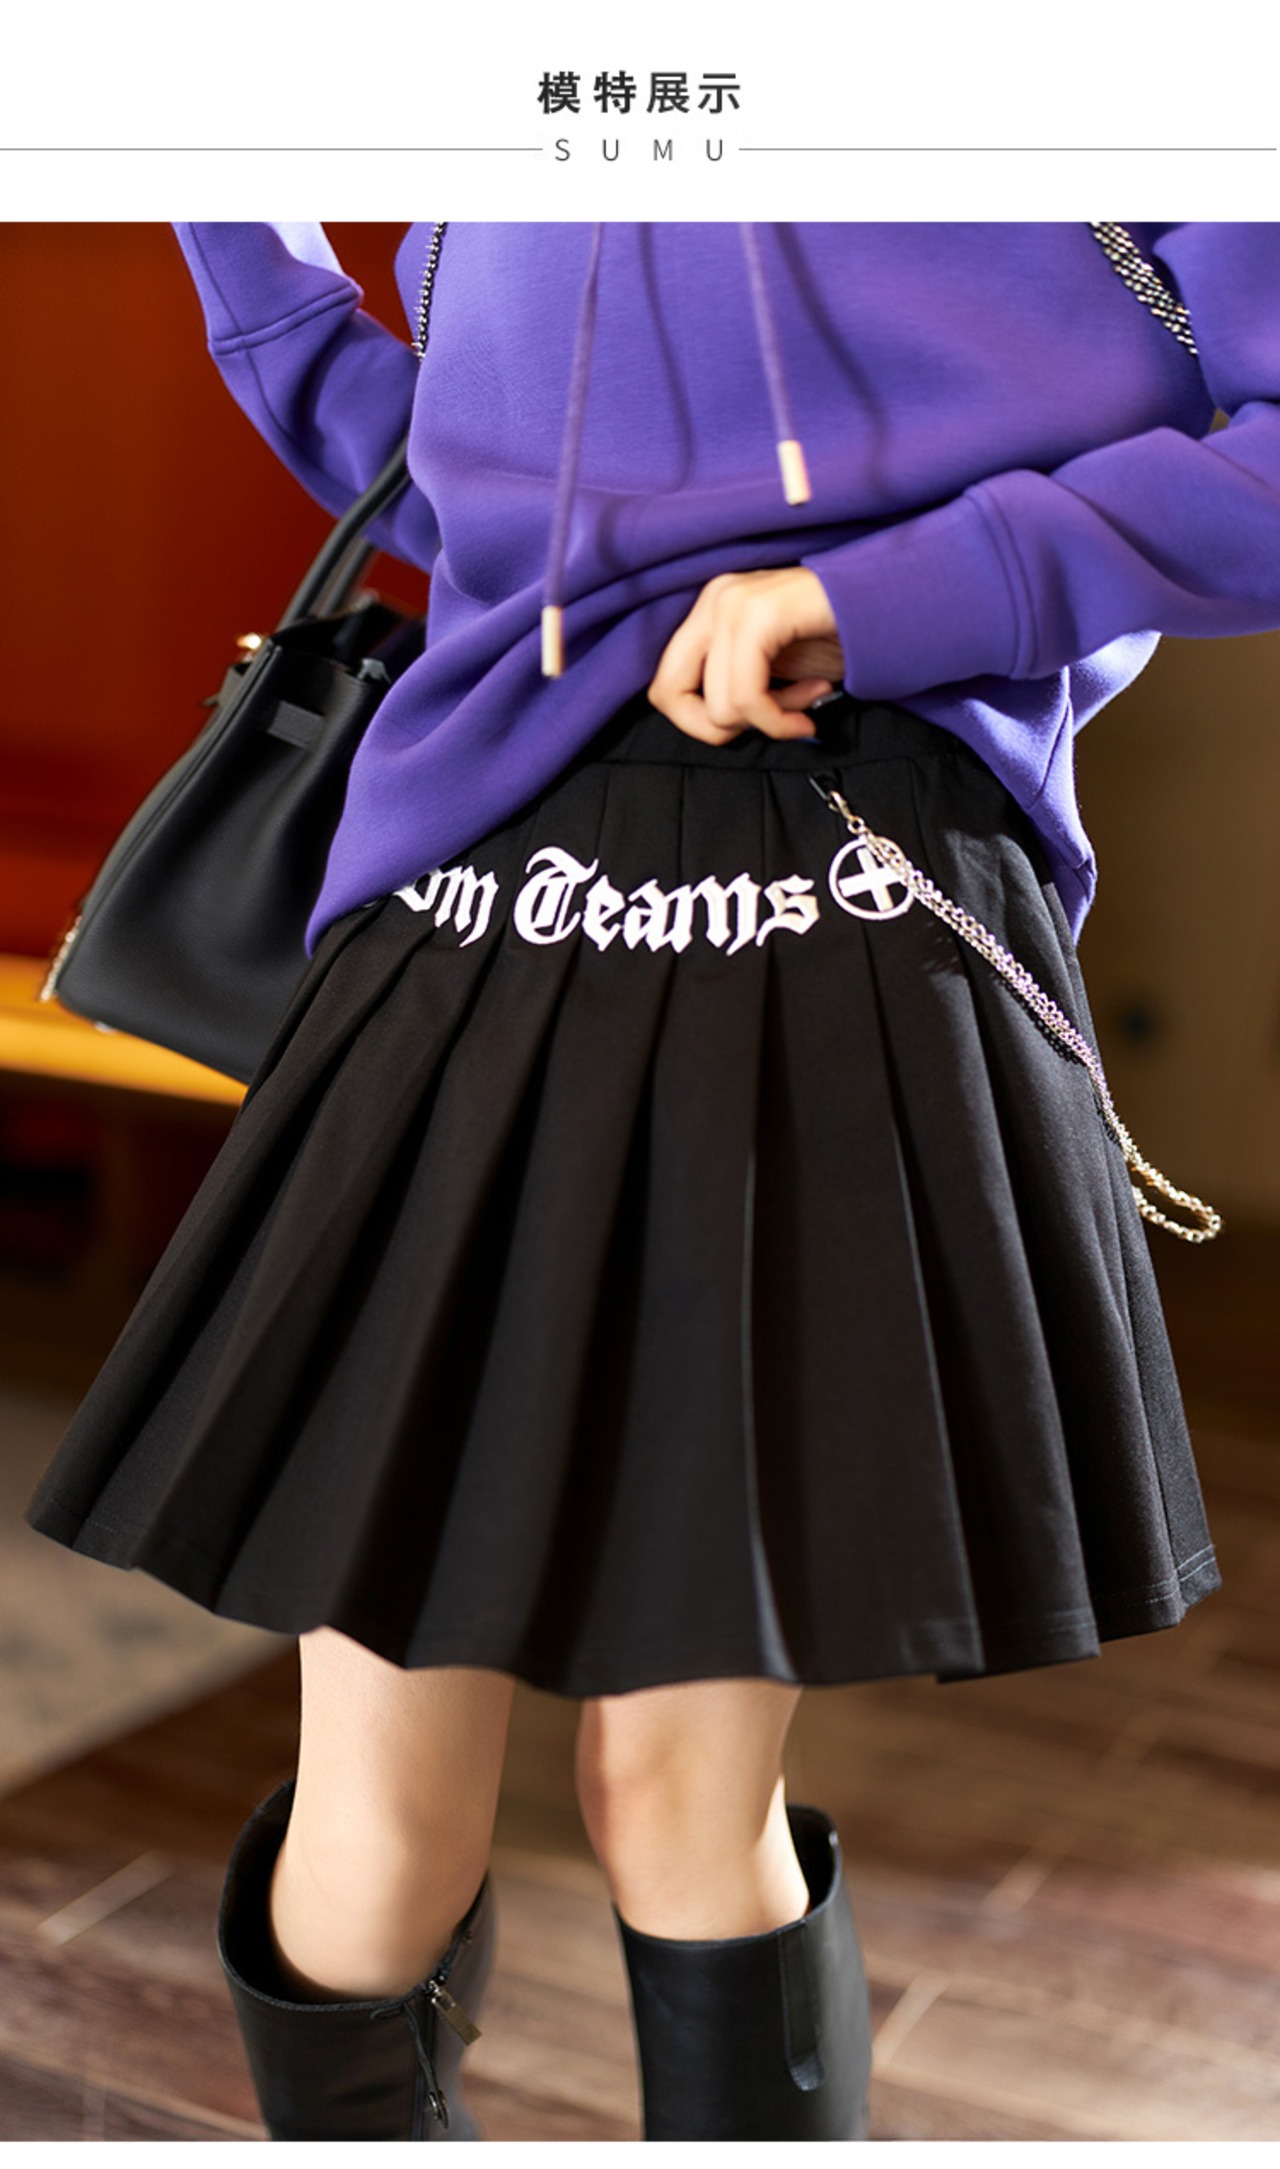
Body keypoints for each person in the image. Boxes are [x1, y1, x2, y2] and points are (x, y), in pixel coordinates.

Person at [25, 221, 1280, 2142]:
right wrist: (231, 221)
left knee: (615, 1806)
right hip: (515, 890)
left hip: (796, 897)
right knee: (426, 1820)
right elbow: (491, 486)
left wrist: (877, 596)